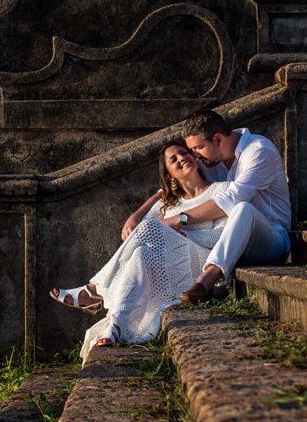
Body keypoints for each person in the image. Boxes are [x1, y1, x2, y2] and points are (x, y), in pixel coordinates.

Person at [50, 142, 229, 360]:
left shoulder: (221, 190)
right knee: (140, 254)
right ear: (170, 176)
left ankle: (94, 290)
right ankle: (117, 325)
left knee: (149, 228)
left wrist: (186, 233)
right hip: (167, 265)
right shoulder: (167, 203)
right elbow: (140, 235)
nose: (182, 158)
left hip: (200, 264)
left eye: (184, 152)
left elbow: (221, 237)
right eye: (174, 159)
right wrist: (141, 215)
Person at [163, 109, 291, 302]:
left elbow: (232, 199)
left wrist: (178, 220)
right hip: (230, 242)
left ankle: (208, 280)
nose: (195, 156)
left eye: (198, 148)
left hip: (271, 241)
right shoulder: (212, 159)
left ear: (217, 140)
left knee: (242, 208)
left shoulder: (259, 150)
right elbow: (175, 184)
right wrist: (137, 215)